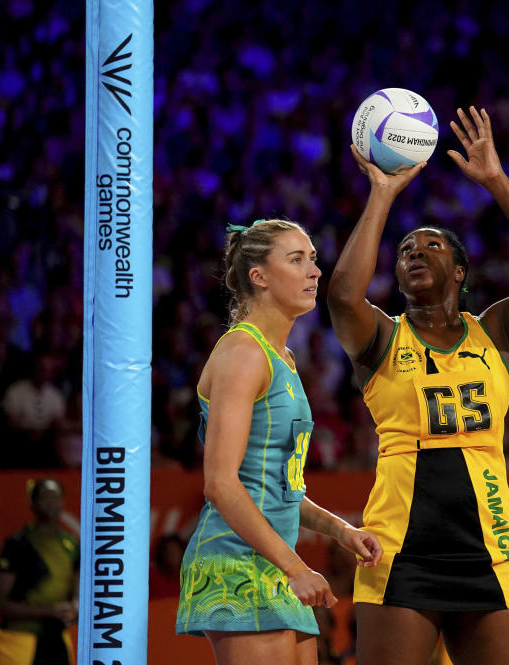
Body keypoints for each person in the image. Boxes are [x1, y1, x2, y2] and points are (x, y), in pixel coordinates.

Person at [328, 106, 509, 665]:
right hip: (399, 552)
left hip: (492, 552)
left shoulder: (497, 333)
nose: (414, 252)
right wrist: (382, 195)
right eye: (405, 251)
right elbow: (343, 296)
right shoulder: (383, 340)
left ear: (460, 272)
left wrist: (496, 181)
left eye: (431, 245)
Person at [176, 219, 383, 665]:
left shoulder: (282, 358)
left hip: (275, 564)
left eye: (312, 259)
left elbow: (278, 488)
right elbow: (222, 485)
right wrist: (295, 567)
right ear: (259, 277)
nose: (314, 271)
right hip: (235, 562)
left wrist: (340, 531)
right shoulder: (242, 354)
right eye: (296, 259)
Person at [0, 478, 79, 665]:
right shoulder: (17, 544)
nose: (52, 503)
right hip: (19, 638)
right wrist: (49, 611)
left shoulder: (71, 544)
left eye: (57, 497)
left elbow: (76, 593)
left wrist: (76, 608)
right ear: (33, 503)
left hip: (57, 638)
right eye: (45, 497)